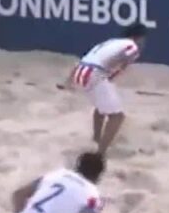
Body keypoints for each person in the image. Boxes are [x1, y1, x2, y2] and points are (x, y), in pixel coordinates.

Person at [61, 24, 148, 153]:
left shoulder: (110, 42)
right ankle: (101, 152)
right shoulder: (132, 46)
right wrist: (112, 76)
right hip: (94, 73)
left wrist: (69, 81)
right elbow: (122, 66)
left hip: (80, 71)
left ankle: (97, 139)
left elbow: (87, 58)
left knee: (101, 108)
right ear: (140, 37)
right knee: (117, 117)